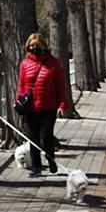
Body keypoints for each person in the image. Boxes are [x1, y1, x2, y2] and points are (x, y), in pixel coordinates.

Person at [16, 33, 67, 177]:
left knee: (47, 137)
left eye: (37, 45)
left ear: (44, 46)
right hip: (31, 108)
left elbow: (60, 85)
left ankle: (51, 159)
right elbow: (21, 84)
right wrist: (20, 101)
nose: (34, 48)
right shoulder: (25, 63)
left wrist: (62, 104)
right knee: (33, 138)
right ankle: (36, 166)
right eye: (31, 46)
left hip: (48, 107)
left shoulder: (53, 63)